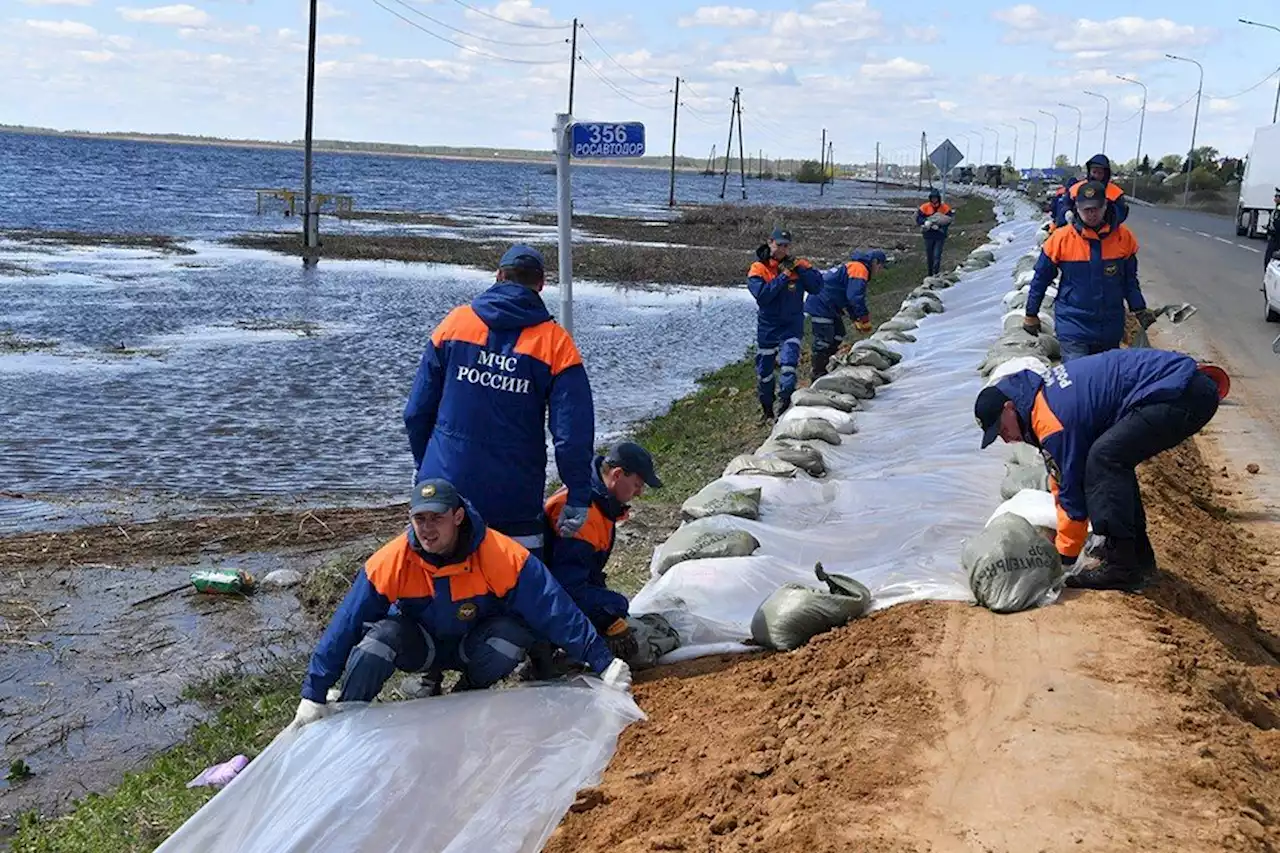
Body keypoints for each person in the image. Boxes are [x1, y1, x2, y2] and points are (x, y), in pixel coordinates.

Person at [290, 479, 631, 729]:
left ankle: (464, 697)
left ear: (457, 517)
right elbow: (345, 624)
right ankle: (347, 721)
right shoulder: (391, 560)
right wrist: (314, 692)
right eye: (419, 519)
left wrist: (603, 662)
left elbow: (553, 607)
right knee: (378, 640)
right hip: (420, 646)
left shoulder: (499, 554)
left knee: (512, 635)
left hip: (474, 645)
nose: (427, 529)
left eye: (436, 518)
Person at [404, 244, 593, 560]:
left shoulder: (455, 324)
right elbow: (571, 436)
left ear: (498, 276)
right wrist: (578, 494)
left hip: (446, 490)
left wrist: (425, 466)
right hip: (514, 497)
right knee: (519, 589)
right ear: (541, 285)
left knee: (437, 585)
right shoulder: (555, 343)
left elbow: (416, 411)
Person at [975, 349, 1220, 592]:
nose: (1006, 440)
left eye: (1001, 429)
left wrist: (1065, 557)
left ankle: (1121, 567)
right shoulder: (1039, 398)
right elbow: (1060, 476)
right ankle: (1137, 557)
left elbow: (1072, 489)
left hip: (1181, 393)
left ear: (1009, 408)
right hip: (1179, 387)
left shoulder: (1050, 419)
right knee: (1111, 458)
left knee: (1105, 459)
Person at [544, 441, 669, 666]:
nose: (639, 493)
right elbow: (567, 588)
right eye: (637, 485)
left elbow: (586, 572)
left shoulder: (595, 500)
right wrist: (610, 614)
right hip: (546, 604)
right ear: (617, 475)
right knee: (625, 620)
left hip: (554, 596)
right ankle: (552, 655)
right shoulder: (585, 516)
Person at [1024, 180, 1154, 362]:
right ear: (1077, 208)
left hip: (1110, 325)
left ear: (1105, 205)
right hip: (1073, 323)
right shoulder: (1060, 239)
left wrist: (1139, 309)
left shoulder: (1124, 238)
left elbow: (1129, 281)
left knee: (1106, 380)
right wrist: (1031, 314)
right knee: (1078, 378)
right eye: (1086, 209)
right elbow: (1041, 279)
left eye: (1096, 208)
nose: (1091, 214)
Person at [748, 228, 824, 421]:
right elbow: (763, 297)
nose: (782, 249)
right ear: (770, 242)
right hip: (768, 326)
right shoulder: (758, 268)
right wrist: (783, 276)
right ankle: (767, 409)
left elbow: (816, 287)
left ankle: (784, 406)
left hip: (791, 324)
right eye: (779, 244)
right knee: (764, 372)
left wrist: (801, 270)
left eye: (786, 246)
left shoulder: (797, 266)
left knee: (789, 365)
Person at [804, 248, 885, 378]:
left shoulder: (855, 267)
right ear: (875, 262)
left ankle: (826, 364)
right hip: (821, 304)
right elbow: (854, 297)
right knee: (824, 339)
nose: (879, 271)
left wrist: (855, 319)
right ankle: (817, 373)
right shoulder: (860, 269)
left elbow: (848, 299)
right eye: (880, 266)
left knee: (839, 333)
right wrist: (864, 318)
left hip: (829, 305)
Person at [1064, 154, 1128, 226]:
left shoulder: (1116, 193)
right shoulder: (1075, 189)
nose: (1096, 176)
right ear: (1089, 171)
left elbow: (1121, 214)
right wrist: (1067, 212)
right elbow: (1065, 205)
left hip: (1106, 232)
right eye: (1094, 172)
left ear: (1105, 174)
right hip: (1079, 230)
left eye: (1100, 173)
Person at [915, 189, 953, 276]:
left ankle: (936, 272)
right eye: (933, 198)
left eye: (935, 198)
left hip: (939, 235)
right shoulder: (925, 207)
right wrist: (925, 222)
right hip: (928, 235)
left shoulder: (945, 208)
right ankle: (930, 273)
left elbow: (949, 220)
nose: (934, 200)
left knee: (937, 255)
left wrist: (940, 227)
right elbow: (918, 218)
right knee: (930, 255)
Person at [1265, 187, 1280, 271]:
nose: (1274, 199)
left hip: (1276, 239)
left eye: (1276, 196)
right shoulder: (1277, 208)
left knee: (1269, 260)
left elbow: (1277, 224)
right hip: (1274, 237)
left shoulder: (1279, 210)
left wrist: (1272, 230)